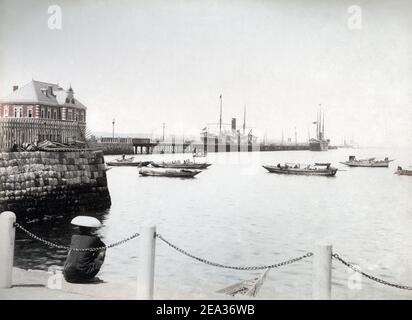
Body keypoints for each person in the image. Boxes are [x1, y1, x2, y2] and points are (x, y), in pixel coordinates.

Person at [63, 216, 106, 283]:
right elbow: (103, 247)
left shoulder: (74, 237)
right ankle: (89, 276)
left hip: (68, 274)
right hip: (84, 275)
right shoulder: (94, 239)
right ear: (90, 229)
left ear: (79, 228)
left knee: (71, 251)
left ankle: (69, 270)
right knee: (102, 250)